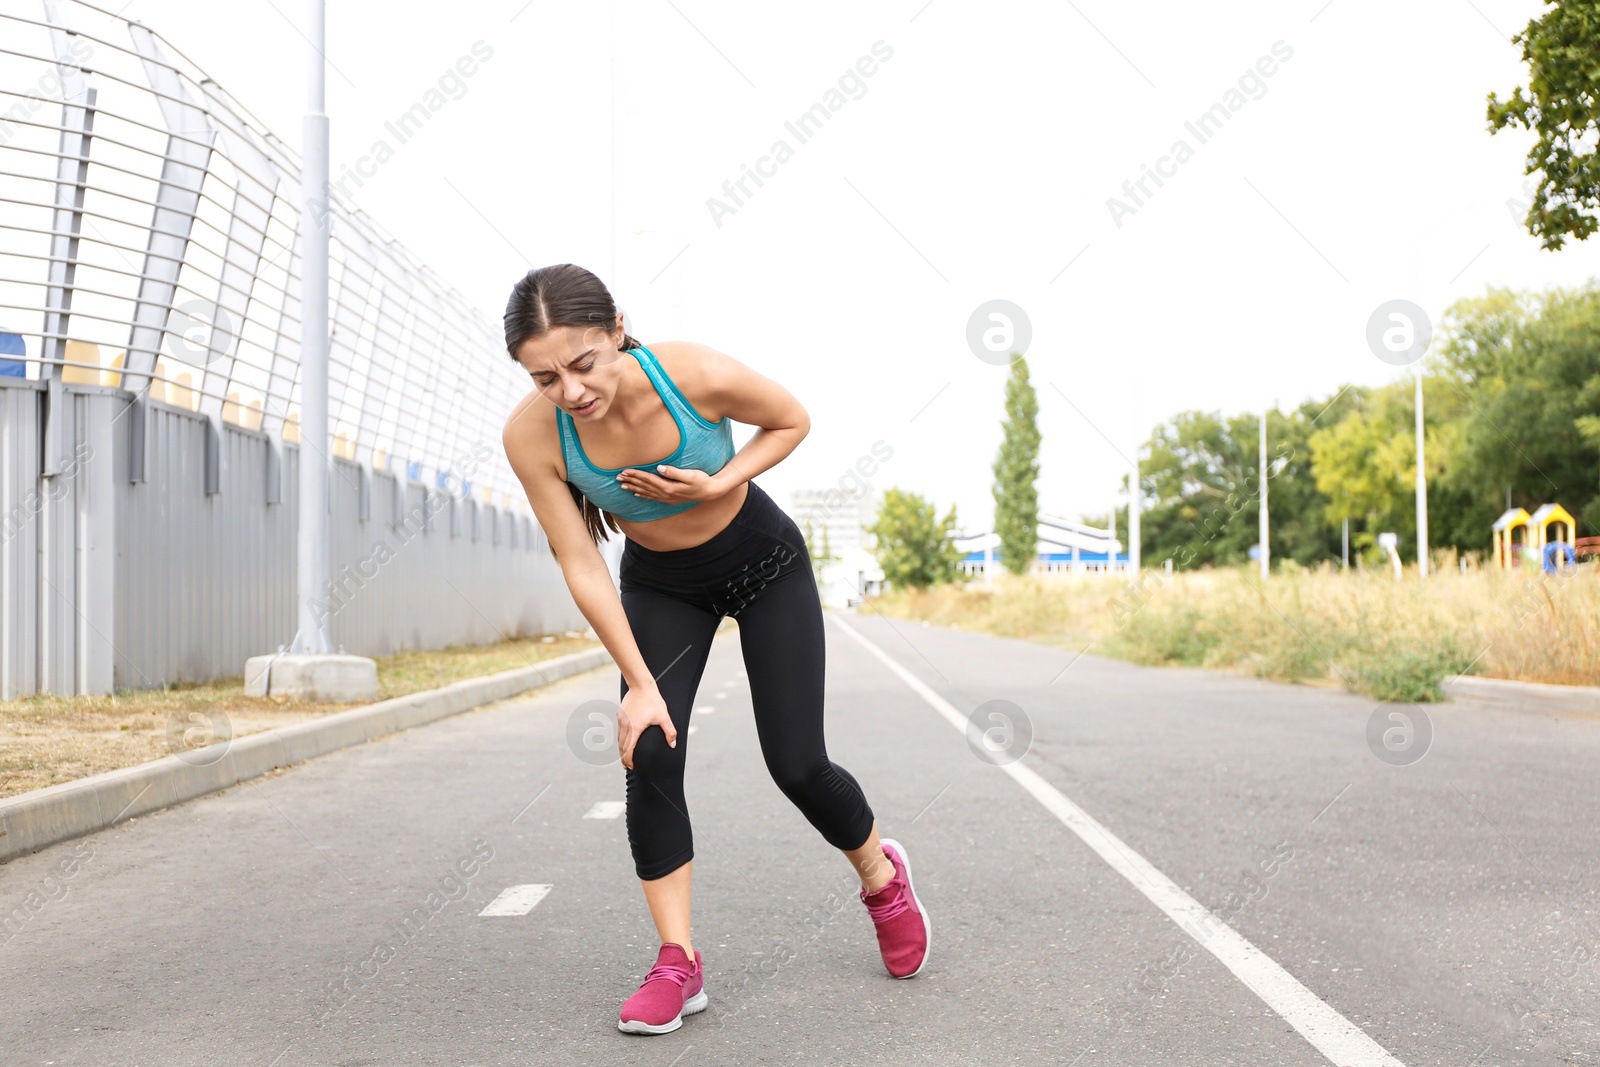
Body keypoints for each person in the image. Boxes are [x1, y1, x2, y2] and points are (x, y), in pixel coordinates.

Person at [500, 264, 930, 1035]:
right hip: (663, 584)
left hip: (763, 561)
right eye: (545, 376)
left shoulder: (691, 373)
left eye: (583, 363)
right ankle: (678, 960)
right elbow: (580, 560)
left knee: (798, 763)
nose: (569, 390)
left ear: (619, 331)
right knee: (651, 749)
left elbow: (792, 418)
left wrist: (718, 479)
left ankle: (881, 876)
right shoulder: (533, 435)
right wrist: (638, 683)